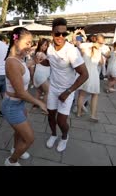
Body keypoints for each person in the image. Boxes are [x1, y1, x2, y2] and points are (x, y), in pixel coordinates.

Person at [37, 18, 88, 152]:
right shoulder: (49, 48)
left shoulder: (71, 51)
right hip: (53, 88)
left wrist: (68, 92)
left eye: (63, 34)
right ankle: (53, 135)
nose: (60, 37)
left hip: (67, 90)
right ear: (52, 33)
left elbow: (84, 74)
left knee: (61, 121)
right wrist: (42, 61)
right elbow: (51, 62)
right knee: (50, 116)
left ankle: (64, 137)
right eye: (57, 33)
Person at [2, 27, 48, 166]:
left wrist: (34, 62)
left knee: (19, 132)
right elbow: (21, 92)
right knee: (29, 139)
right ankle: (11, 161)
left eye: (31, 43)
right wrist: (39, 102)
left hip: (18, 104)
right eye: (27, 43)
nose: (30, 46)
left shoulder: (19, 58)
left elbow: (22, 68)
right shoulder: (11, 62)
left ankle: (16, 150)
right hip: (12, 106)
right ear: (16, 41)